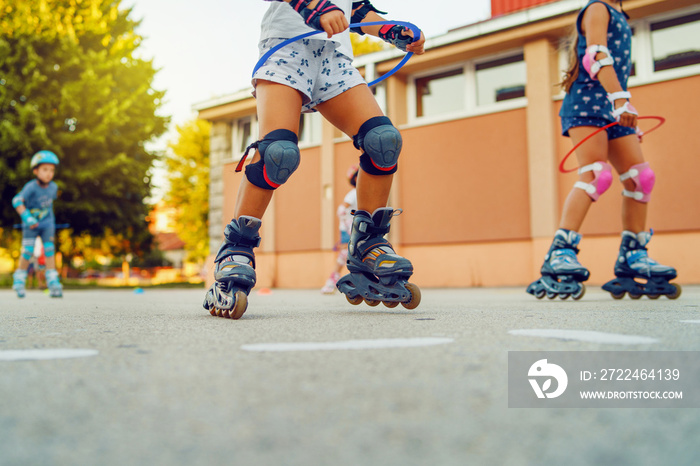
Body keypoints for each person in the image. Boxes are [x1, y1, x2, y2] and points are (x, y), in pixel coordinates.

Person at [203, 0, 425, 319]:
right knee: (278, 153)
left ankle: (368, 244)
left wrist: (392, 30)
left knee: (383, 140)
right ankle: (235, 249)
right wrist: (317, 7)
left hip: (335, 56)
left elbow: (356, 10)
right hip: (286, 47)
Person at [527, 0, 680, 300]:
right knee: (597, 175)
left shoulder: (620, 14)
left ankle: (633, 254)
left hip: (612, 106)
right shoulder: (598, 8)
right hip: (587, 104)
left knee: (641, 177)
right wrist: (621, 99)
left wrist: (622, 105)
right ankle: (560, 252)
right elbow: (595, 55)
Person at [12, 150, 63, 298]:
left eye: (52, 170)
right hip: (31, 224)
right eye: (45, 169)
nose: (49, 173)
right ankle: (19, 280)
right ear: (36, 170)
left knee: (49, 249)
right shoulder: (31, 187)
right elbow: (17, 200)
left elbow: (48, 205)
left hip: (47, 223)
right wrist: (27, 217)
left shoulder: (54, 187)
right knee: (27, 251)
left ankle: (53, 281)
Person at [321, 165, 358, 294]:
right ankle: (331, 282)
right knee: (344, 255)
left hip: (358, 229)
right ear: (354, 179)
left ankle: (359, 280)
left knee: (358, 254)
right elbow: (341, 210)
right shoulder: (353, 194)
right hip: (349, 229)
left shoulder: (363, 193)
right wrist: (348, 225)